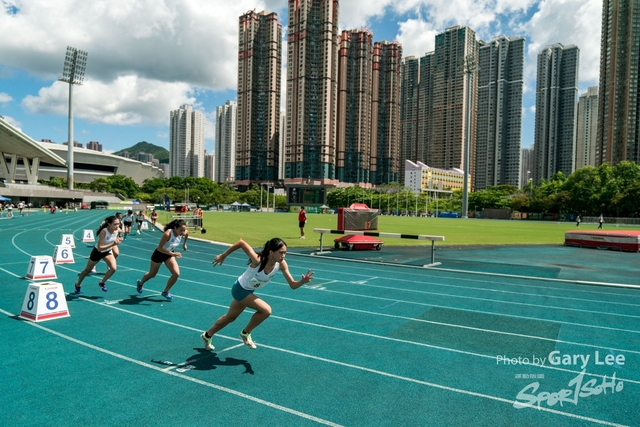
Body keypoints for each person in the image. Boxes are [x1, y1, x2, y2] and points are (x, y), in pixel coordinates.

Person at [200, 238, 314, 351]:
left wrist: (302, 281)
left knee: (230, 317)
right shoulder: (258, 260)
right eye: (281, 253)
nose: (283, 256)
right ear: (271, 252)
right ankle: (245, 333)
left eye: (285, 253)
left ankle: (207, 335)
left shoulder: (281, 264)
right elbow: (241, 242)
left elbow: (293, 285)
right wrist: (223, 255)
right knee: (266, 310)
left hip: (248, 291)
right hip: (239, 289)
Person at [136, 219, 189, 300]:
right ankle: (140, 283)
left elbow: (187, 234)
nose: (183, 232)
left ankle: (165, 291)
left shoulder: (183, 232)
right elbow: (159, 248)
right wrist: (173, 254)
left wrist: (184, 244)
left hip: (169, 255)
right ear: (175, 228)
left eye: (183, 230)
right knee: (152, 274)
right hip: (159, 254)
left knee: (176, 274)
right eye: (181, 230)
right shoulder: (167, 234)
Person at [74, 216, 122, 294]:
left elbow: (119, 234)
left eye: (118, 224)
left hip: (107, 252)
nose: (117, 226)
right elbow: (100, 248)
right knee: (87, 270)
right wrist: (113, 244)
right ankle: (78, 284)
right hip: (98, 252)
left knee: (113, 268)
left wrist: (119, 239)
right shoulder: (103, 232)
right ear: (109, 224)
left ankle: (102, 282)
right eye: (115, 224)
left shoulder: (117, 230)